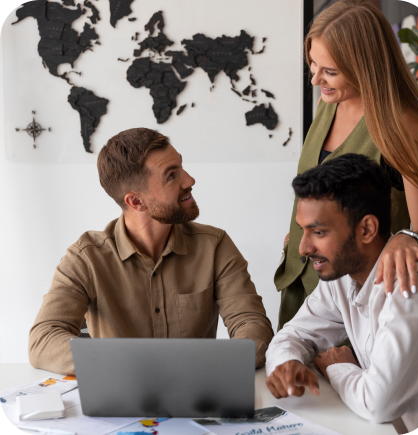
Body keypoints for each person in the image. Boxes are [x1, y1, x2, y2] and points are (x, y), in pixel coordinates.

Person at [29, 128, 274, 375]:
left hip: (198, 397)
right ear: (136, 202)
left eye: (181, 167)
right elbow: (43, 341)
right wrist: (134, 365)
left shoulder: (215, 245)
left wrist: (206, 366)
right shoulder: (86, 258)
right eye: (171, 176)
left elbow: (252, 325)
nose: (189, 180)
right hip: (119, 403)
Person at [275, 0, 418, 329]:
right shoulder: (328, 104)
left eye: (329, 71)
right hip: (303, 285)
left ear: (367, 66)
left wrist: (408, 238)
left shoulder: (405, 127)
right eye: (313, 66)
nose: (315, 80)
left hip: (362, 304)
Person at [266, 154, 418, 430]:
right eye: (302, 231)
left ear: (367, 229)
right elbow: (295, 333)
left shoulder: (414, 280)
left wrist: (337, 366)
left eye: (318, 232)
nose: (303, 248)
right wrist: (287, 363)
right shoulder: (342, 276)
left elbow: (379, 404)